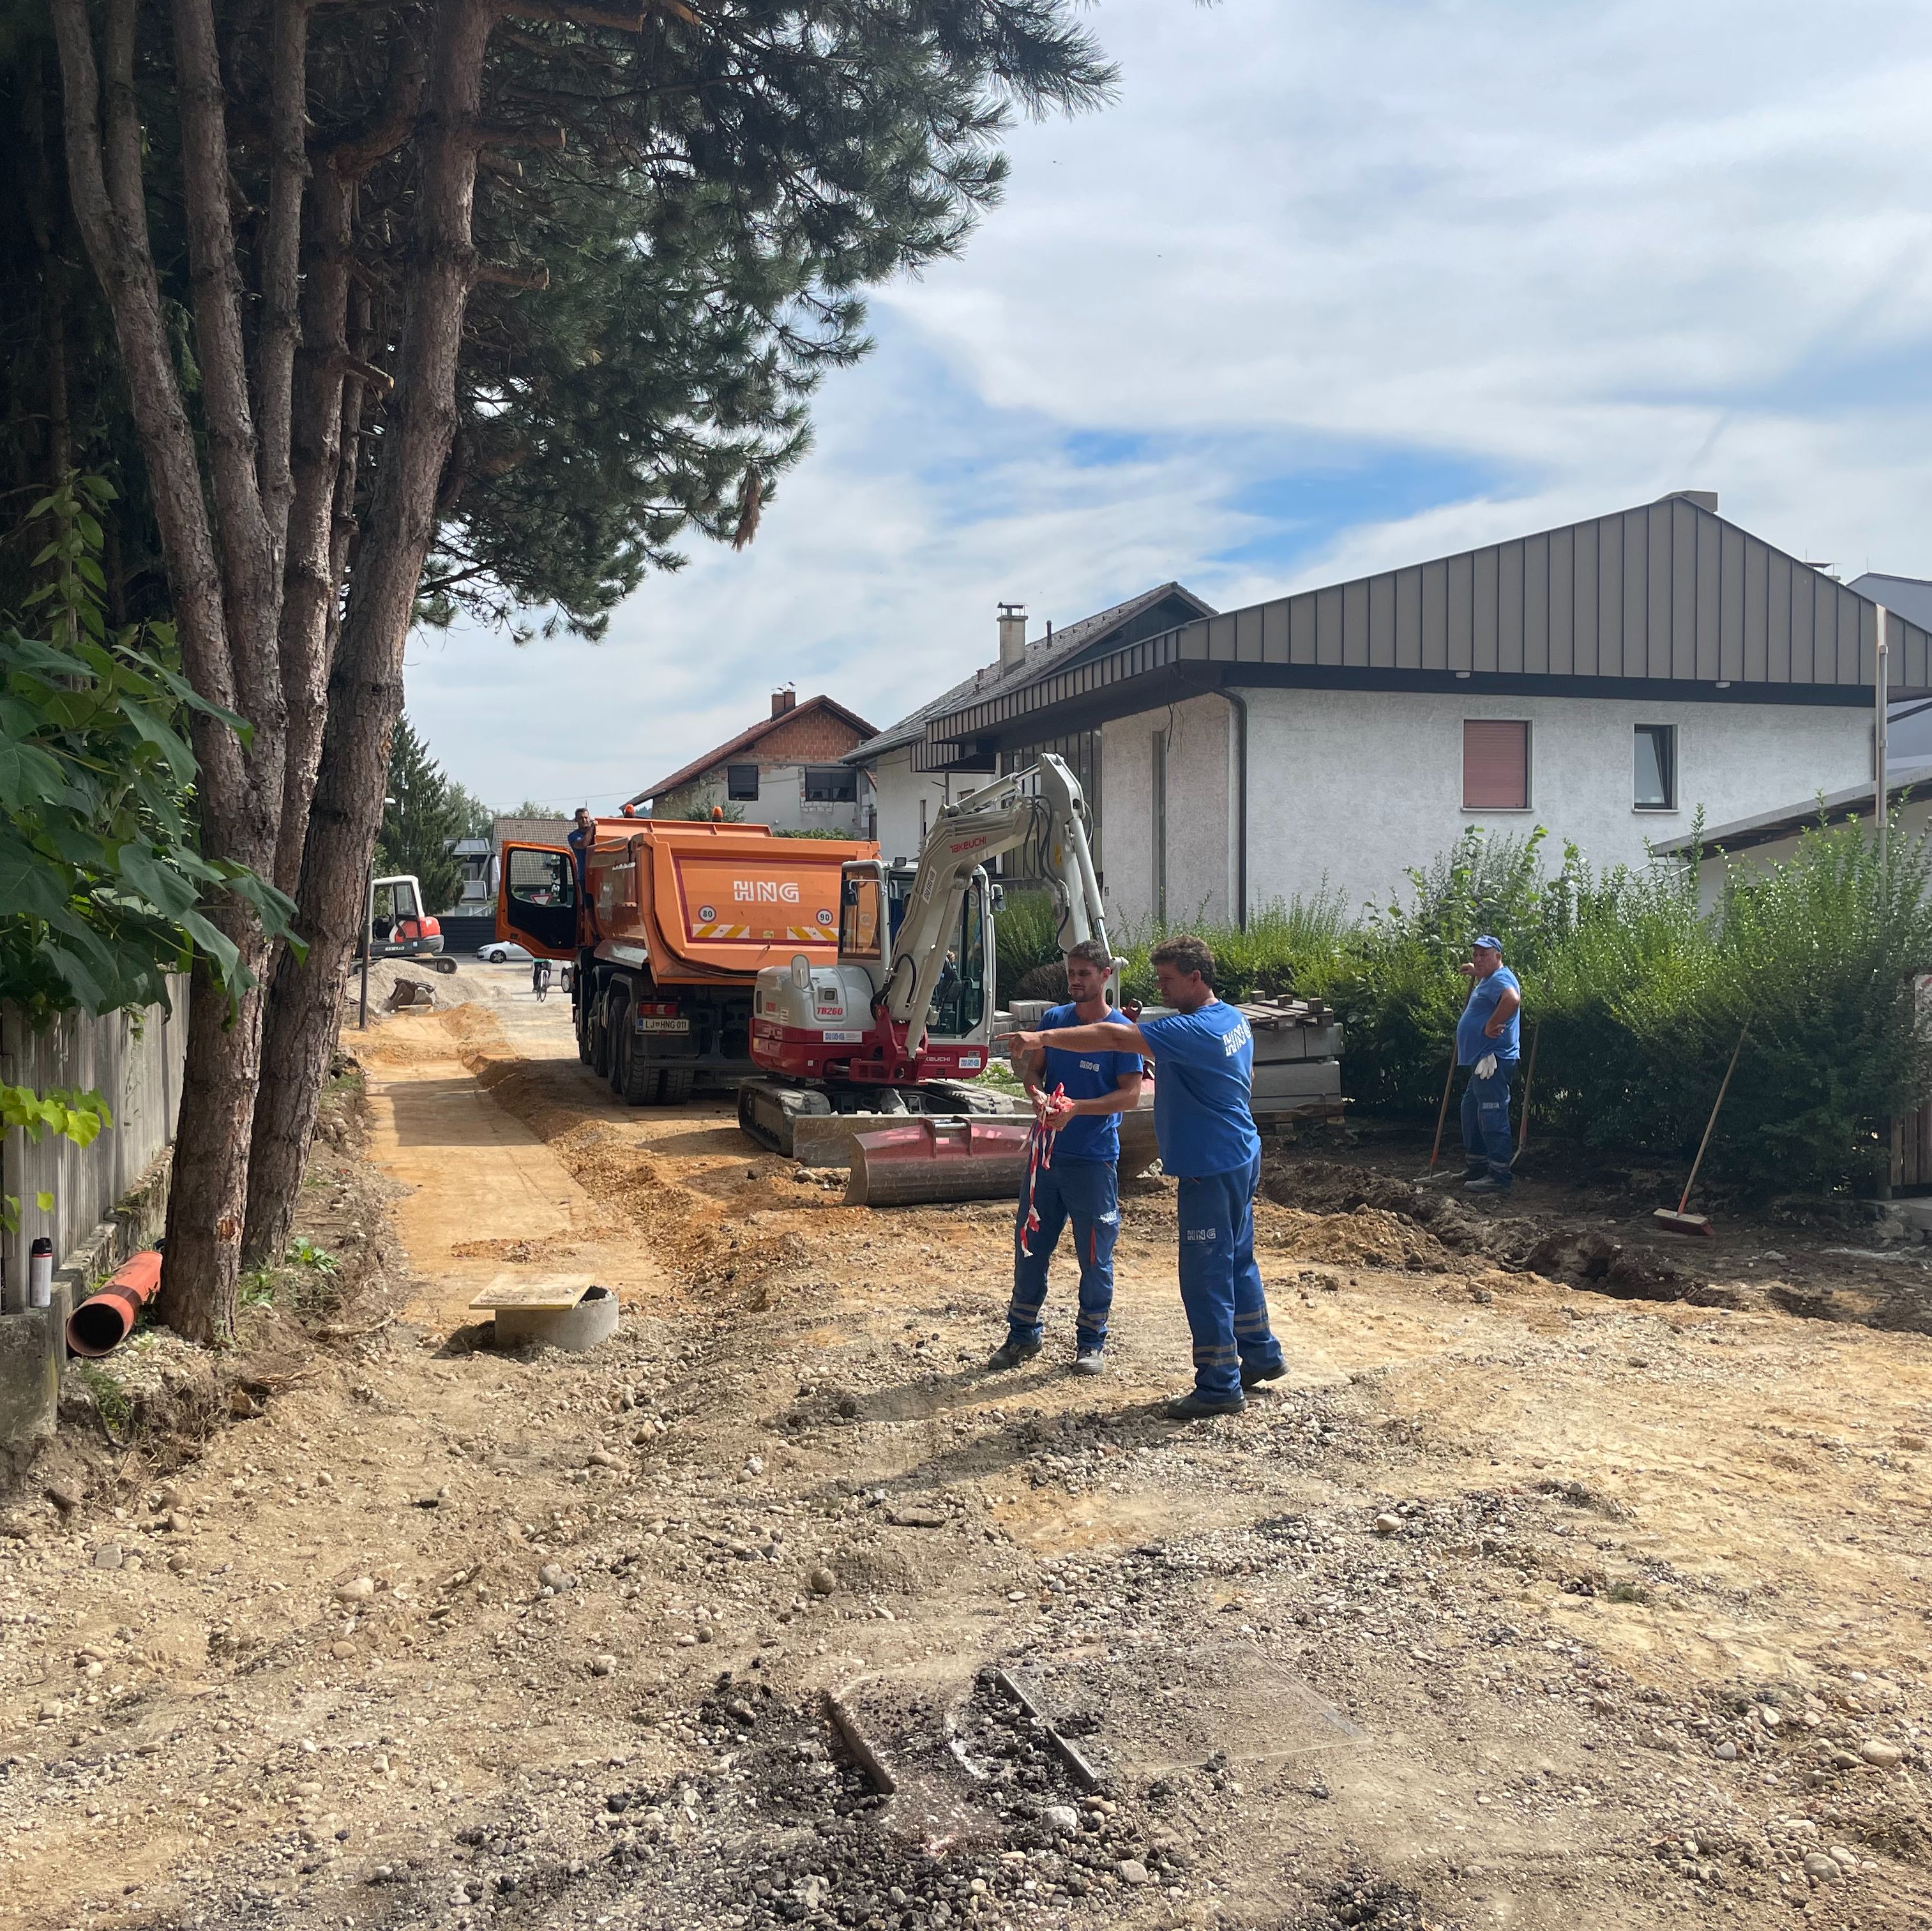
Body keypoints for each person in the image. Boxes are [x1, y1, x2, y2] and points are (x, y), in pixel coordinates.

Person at [1009, 935, 1285, 1420]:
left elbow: (1117, 1038)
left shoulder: (1193, 1028)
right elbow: (1248, 1081)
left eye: (1166, 980)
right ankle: (1261, 1353)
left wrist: (1043, 1038)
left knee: (1204, 1275)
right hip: (1240, 1154)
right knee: (1237, 1259)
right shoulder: (1233, 1021)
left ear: (1195, 979)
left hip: (1208, 1165)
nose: (1159, 988)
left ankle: (1219, 1384)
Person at [990, 939, 1143, 1379]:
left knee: (1094, 1256)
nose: (1075, 981)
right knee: (1030, 1247)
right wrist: (1038, 1095)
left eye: (1084, 974)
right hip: (1046, 1158)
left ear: (1105, 976)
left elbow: (1130, 1096)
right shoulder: (1055, 1021)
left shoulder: (1121, 1034)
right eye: (1071, 973)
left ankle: (1091, 1341)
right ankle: (1022, 1334)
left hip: (1092, 1160)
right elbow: (1035, 1071)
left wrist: (1077, 1109)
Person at [1456, 934, 1521, 1192]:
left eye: (1484, 954)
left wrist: (1491, 1025)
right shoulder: (1490, 977)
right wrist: (1476, 971)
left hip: (1493, 1060)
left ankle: (1499, 1175)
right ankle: (1477, 1165)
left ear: (1498, 956)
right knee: (1470, 1110)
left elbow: (1512, 999)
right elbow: (1490, 979)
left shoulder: (1501, 978)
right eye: (1475, 955)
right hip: (1481, 1061)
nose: (1478, 958)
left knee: (1491, 1113)